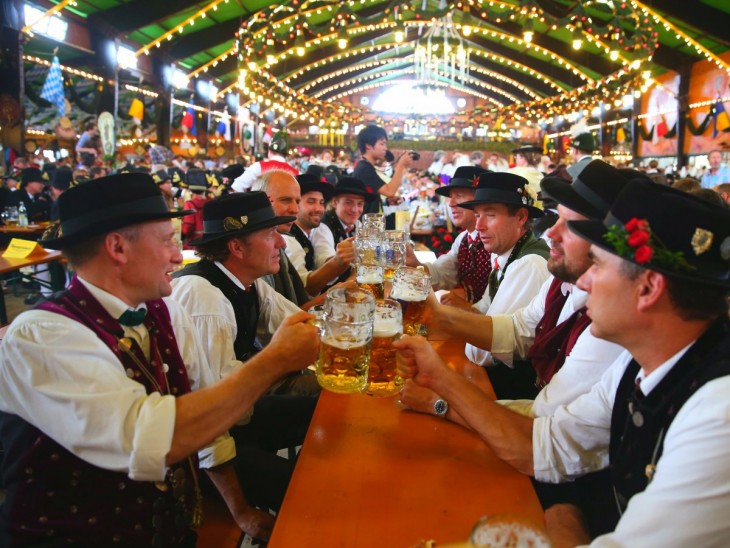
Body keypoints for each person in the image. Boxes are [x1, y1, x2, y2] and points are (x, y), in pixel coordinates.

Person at [397, 179, 730, 546]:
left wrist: (566, 523)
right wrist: (441, 380)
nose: (584, 280)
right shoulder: (636, 364)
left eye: (599, 265)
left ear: (648, 288)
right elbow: (548, 443)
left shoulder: (718, 414)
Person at [0, 173, 319, 545]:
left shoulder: (164, 311)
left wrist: (240, 508)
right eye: (167, 240)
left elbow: (204, 417)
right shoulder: (41, 337)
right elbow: (145, 437)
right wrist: (273, 362)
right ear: (118, 248)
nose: (175, 254)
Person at [170, 192, 317, 535]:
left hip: (237, 420)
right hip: (197, 457)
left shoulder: (246, 283)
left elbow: (301, 327)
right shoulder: (204, 296)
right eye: (269, 235)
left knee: (322, 412)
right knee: (310, 491)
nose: (280, 241)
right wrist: (241, 510)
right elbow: (208, 423)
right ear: (237, 247)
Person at [457, 172, 550, 369]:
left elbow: (480, 353)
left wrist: (454, 321)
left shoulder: (528, 265)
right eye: (477, 215)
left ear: (521, 217)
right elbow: (486, 306)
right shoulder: (504, 252)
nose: (479, 226)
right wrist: (458, 314)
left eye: (490, 215)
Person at [406, 166, 492, 308]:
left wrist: (468, 303)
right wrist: (416, 265)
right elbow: (443, 273)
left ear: (480, 199)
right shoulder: (464, 238)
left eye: (459, 196)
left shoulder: (498, 242)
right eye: (451, 197)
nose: (451, 204)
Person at [284, 173, 354, 296]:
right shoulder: (287, 238)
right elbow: (302, 289)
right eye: (311, 202)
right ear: (295, 205)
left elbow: (324, 258)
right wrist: (339, 263)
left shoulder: (318, 229)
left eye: (321, 203)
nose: (319, 209)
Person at [251, 170, 311, 307]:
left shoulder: (278, 242)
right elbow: (273, 322)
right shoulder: (254, 251)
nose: (295, 210)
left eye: (297, 202)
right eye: (285, 200)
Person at [319, 176, 377, 285]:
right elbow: (325, 266)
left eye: (360, 204)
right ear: (335, 203)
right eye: (348, 202)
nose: (355, 209)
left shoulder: (357, 224)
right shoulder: (323, 228)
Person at [352, 124, 413, 214]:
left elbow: (367, 201)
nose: (385, 148)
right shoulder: (364, 169)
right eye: (382, 144)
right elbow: (390, 191)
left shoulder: (366, 166)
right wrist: (401, 165)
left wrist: (386, 202)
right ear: (368, 145)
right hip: (366, 225)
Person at [232, 131, 297, 192]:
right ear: (286, 154)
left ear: (269, 151)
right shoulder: (296, 173)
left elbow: (237, 186)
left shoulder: (258, 167)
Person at [181, 168, 211, 248]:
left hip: (194, 245)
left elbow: (187, 229)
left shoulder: (190, 204)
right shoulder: (211, 201)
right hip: (210, 242)